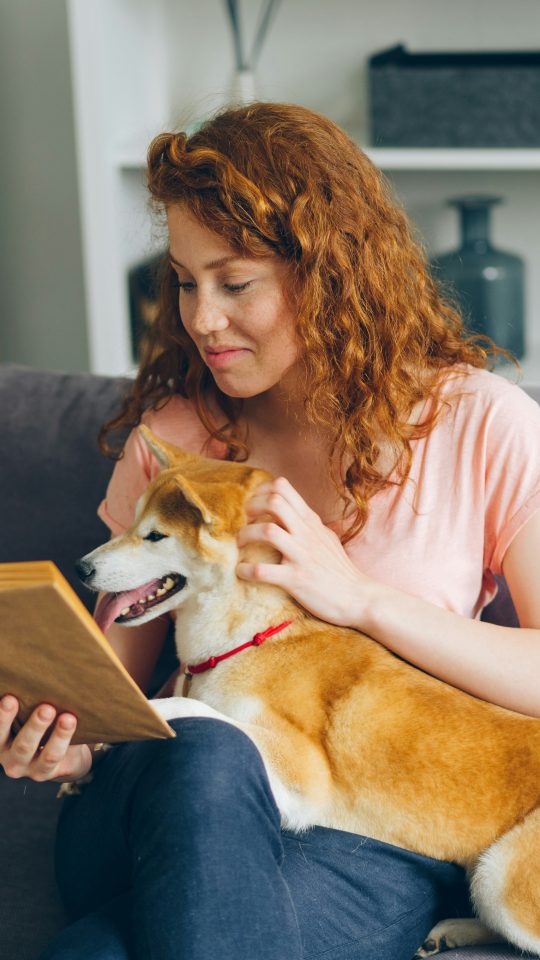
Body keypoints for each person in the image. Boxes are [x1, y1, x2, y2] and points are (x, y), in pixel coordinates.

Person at [2, 102, 540, 960]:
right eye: (183, 281)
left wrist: (361, 599)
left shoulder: (484, 426)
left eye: (235, 282)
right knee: (211, 749)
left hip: (367, 832)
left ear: (330, 273)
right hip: (161, 804)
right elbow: (111, 692)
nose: (201, 319)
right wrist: (61, 743)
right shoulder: (175, 442)